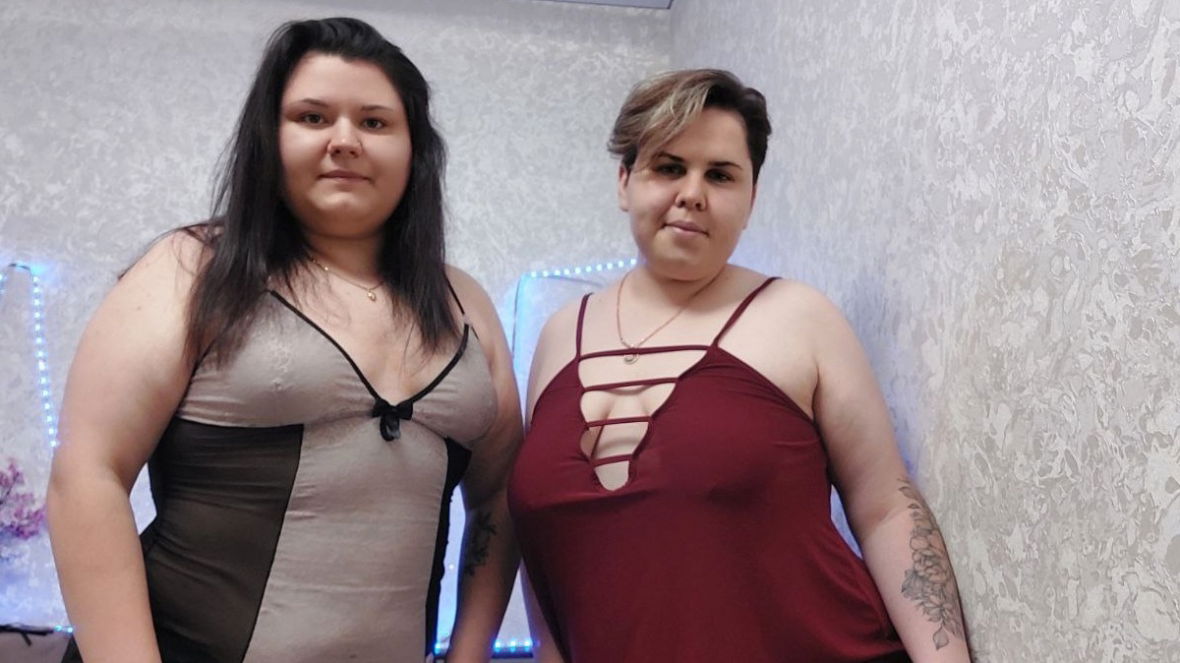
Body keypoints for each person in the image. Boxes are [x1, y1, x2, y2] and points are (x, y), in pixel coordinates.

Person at [46, 17, 521, 663]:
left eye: (375, 122)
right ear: (269, 138)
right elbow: (88, 474)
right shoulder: (190, 269)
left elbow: (497, 496)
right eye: (312, 117)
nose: (344, 141)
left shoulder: (466, 304)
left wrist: (469, 655)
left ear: (415, 149)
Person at [508, 69, 971, 663]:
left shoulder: (801, 317)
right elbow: (549, 548)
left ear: (751, 199)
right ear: (625, 181)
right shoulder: (558, 336)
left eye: (721, 175)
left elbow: (884, 507)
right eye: (668, 167)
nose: (692, 193)